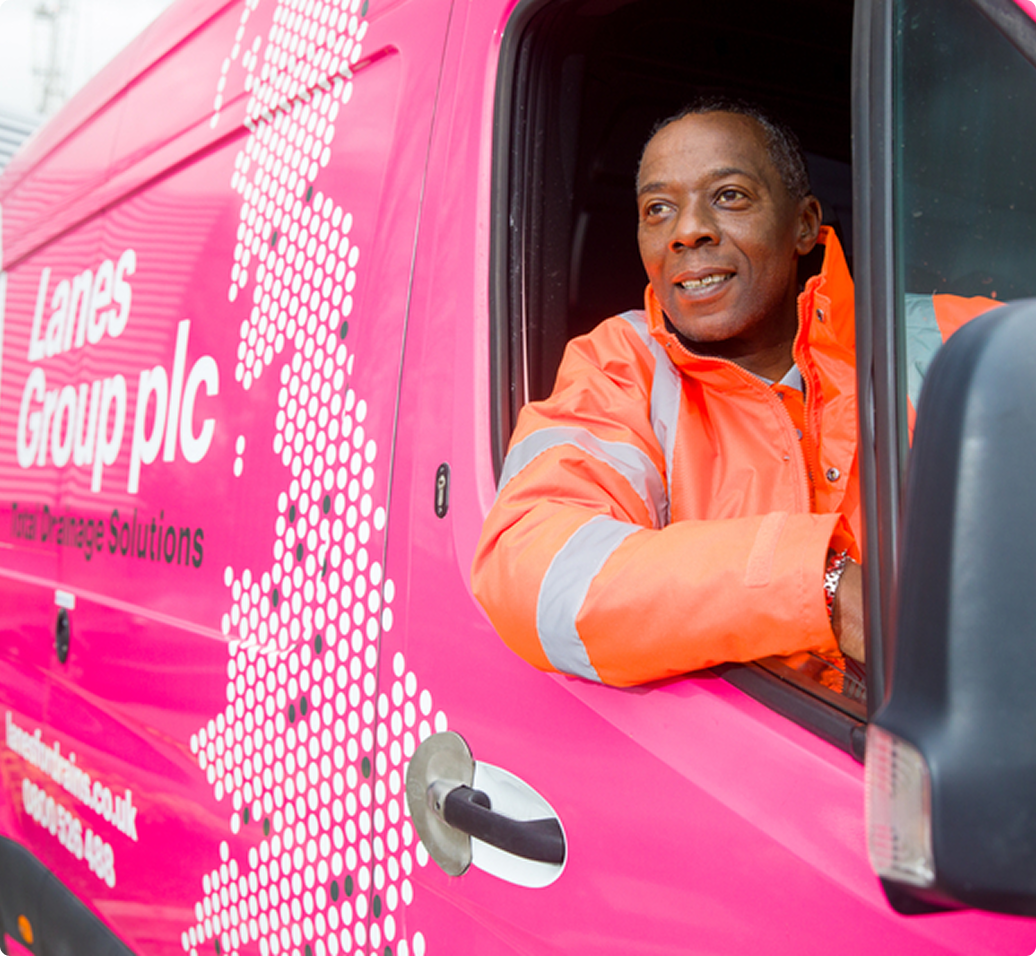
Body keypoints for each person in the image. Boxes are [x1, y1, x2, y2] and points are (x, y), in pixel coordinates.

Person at [470, 97, 986, 688]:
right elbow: (533, 571)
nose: (688, 231)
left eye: (729, 196)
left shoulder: (952, 338)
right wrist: (824, 584)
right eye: (658, 209)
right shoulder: (621, 364)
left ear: (805, 225)